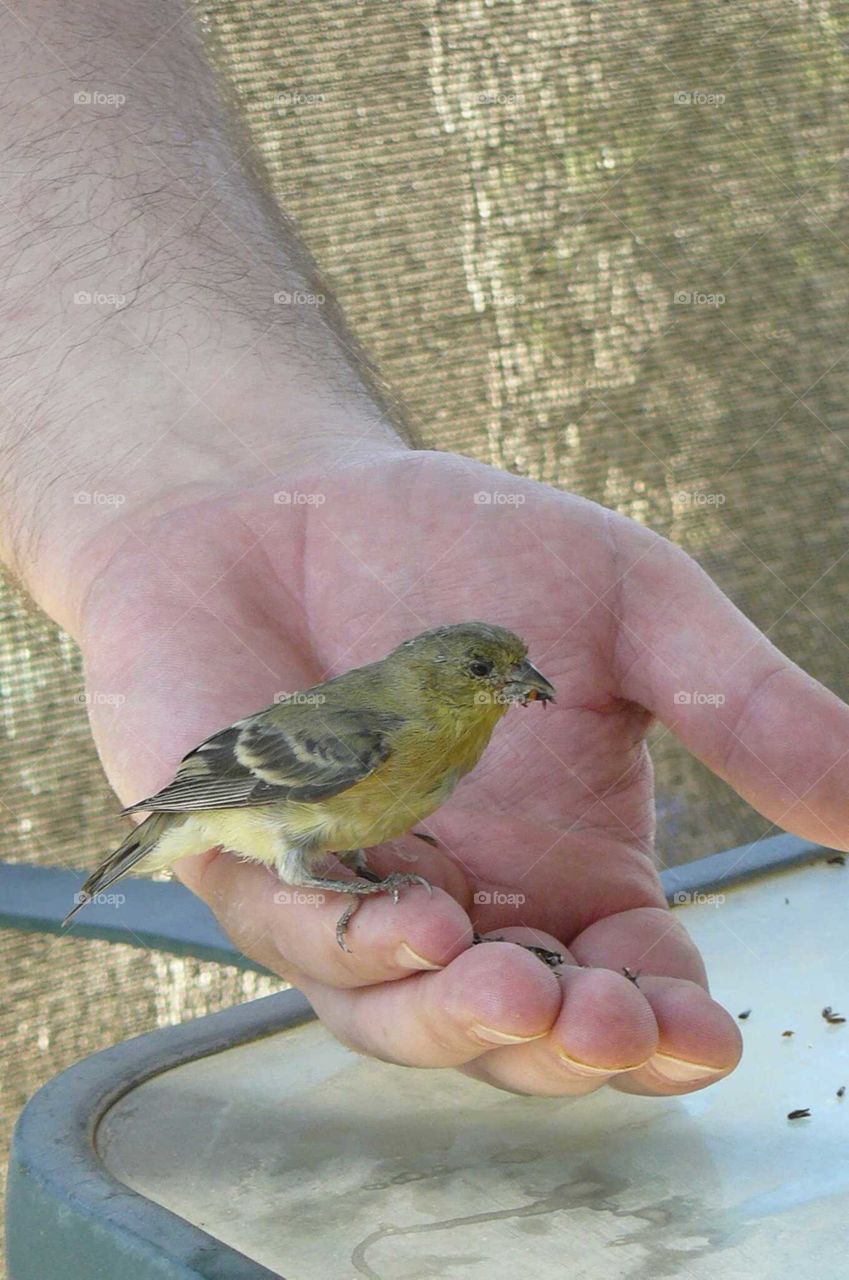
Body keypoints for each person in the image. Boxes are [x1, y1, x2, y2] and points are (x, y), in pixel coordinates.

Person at [2, 0, 846, 1100]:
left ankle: (354, 886)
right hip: (224, 795)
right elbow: (236, 768)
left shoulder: (445, 736)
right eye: (486, 673)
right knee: (312, 867)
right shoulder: (381, 727)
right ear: (439, 679)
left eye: (510, 671)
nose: (513, 685)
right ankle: (338, 887)